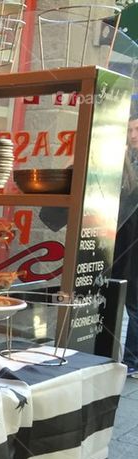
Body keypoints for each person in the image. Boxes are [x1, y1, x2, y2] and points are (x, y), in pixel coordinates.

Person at [113, 113, 138, 373]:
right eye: (129, 129)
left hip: (133, 244)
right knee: (119, 295)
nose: (132, 135)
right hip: (122, 240)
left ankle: (132, 360)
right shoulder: (125, 161)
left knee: (134, 303)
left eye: (137, 129)